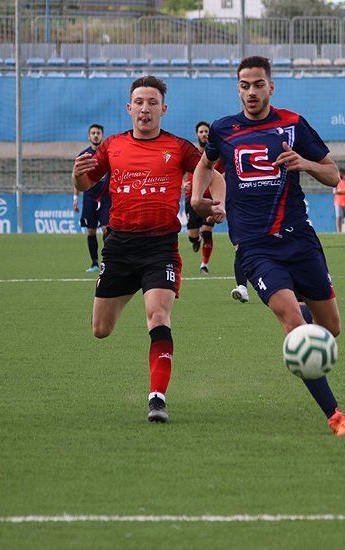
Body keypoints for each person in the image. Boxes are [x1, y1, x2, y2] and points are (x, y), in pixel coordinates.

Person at [191, 56, 345, 437]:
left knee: (330, 328)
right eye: (245, 85)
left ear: (271, 87)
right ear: (238, 89)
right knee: (295, 326)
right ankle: (336, 416)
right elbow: (204, 165)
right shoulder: (222, 129)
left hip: (299, 240)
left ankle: (301, 310)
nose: (252, 91)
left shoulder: (292, 124)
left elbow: (333, 175)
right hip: (254, 247)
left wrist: (305, 163)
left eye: (258, 84)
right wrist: (197, 199)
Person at [71, 76, 225, 422]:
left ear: (163, 109)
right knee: (101, 329)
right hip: (120, 248)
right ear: (129, 108)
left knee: (158, 316)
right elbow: (86, 182)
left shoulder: (180, 148)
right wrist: (76, 177)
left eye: (152, 102)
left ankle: (157, 398)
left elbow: (213, 173)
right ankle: (124, 292)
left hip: (160, 248)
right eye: (139, 102)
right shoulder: (111, 146)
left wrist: (216, 202)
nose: (145, 108)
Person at [74, 123, 112, 272]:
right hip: (89, 197)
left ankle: (107, 262)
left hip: (106, 197)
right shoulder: (84, 156)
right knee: (90, 230)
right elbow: (77, 178)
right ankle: (94, 263)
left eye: (98, 133)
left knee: (106, 229)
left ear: (102, 135)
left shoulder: (108, 154)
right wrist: (75, 199)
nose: (96, 135)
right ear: (89, 136)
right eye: (93, 133)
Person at [183, 121, 218, 274]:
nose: (204, 134)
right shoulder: (191, 153)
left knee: (207, 232)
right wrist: (182, 183)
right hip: (193, 198)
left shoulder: (217, 154)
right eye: (201, 132)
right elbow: (180, 171)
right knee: (192, 235)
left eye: (206, 131)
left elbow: (224, 172)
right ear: (197, 134)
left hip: (210, 200)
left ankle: (204, 264)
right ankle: (195, 240)